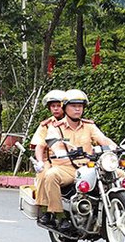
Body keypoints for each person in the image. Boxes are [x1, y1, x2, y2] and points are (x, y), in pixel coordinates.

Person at [38, 89, 117, 233]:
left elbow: (103, 139)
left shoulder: (89, 126)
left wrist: (117, 148)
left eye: (80, 106)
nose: (77, 109)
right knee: (51, 175)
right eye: (74, 105)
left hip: (88, 166)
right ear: (65, 108)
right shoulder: (56, 128)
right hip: (67, 168)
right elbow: (53, 143)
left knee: (119, 174)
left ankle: (117, 207)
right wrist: (59, 151)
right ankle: (59, 216)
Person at [29, 90, 65, 215]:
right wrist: (40, 162)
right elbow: (40, 146)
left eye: (58, 106)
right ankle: (45, 211)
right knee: (44, 175)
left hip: (73, 160)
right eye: (53, 106)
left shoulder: (74, 122)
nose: (56, 109)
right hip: (52, 160)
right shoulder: (46, 125)